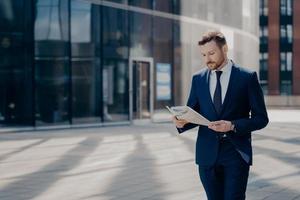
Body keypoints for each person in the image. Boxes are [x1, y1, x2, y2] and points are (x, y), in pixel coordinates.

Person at [172, 30, 269, 200]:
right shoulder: (198, 79)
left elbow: (261, 118)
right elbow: (193, 113)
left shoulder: (247, 77)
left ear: (225, 49)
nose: (207, 59)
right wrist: (182, 122)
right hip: (206, 155)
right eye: (203, 54)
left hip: (235, 153)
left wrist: (232, 125)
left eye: (211, 53)